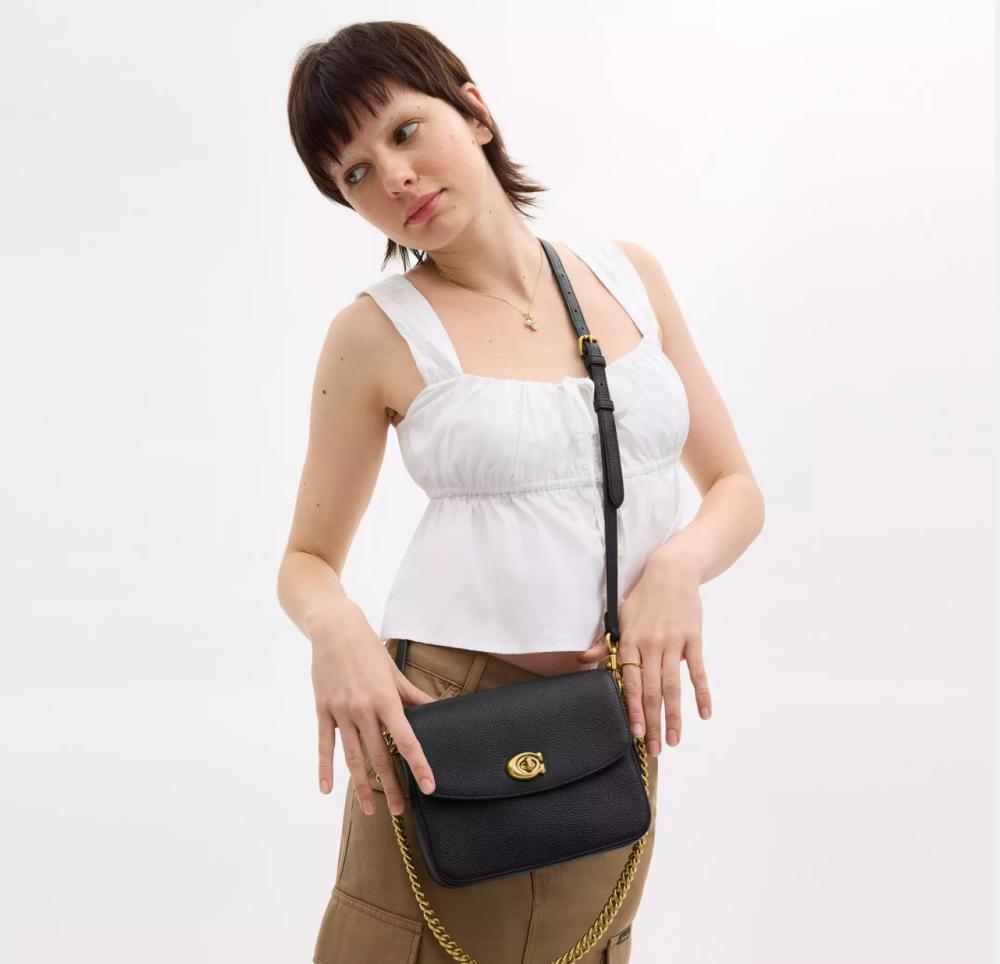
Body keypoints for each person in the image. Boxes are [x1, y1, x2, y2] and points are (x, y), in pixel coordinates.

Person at [277, 20, 765, 964]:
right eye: (357, 173)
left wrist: (677, 570)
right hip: (440, 715)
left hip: (612, 706)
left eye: (405, 131)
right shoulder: (374, 333)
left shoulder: (628, 277)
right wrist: (337, 631)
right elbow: (306, 559)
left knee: (588, 944)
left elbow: (736, 486)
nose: (394, 178)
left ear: (474, 111)